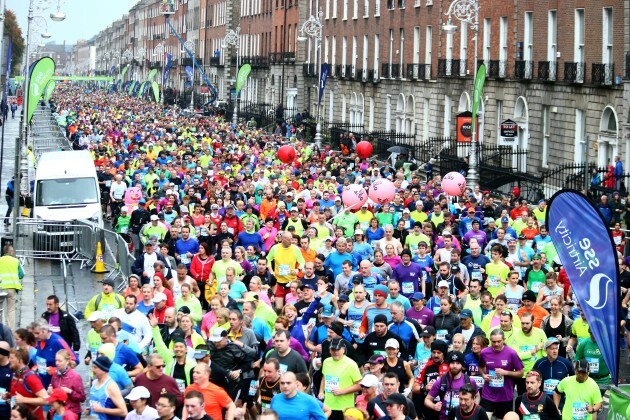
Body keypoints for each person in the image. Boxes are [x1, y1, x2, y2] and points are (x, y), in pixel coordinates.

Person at [477, 329, 524, 420]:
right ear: (490, 341)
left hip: (505, 396)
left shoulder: (511, 353)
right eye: (493, 342)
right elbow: (480, 366)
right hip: (488, 394)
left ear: (504, 340)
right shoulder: (484, 352)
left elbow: (520, 373)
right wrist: (483, 375)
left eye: (499, 341)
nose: (496, 344)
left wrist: (505, 372)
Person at [318, 337, 362, 419]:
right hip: (328, 407)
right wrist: (321, 391)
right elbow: (324, 377)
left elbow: (360, 385)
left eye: (337, 349)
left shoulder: (351, 364)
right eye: (333, 349)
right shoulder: (326, 362)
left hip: (344, 408)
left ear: (343, 349)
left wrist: (342, 391)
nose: (335, 352)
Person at [49, 349, 85, 419]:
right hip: (58, 411)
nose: (57, 363)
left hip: (72, 412)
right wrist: (50, 391)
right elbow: (53, 393)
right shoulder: (55, 374)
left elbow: (82, 397)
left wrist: (70, 392)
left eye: (60, 361)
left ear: (67, 361)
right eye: (56, 360)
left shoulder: (75, 376)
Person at [0, 244, 24, 329]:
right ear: (10, 252)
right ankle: (9, 331)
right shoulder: (16, 261)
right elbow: (21, 274)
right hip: (12, 288)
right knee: (11, 310)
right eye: (12, 251)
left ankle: (1, 329)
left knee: (1, 310)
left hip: (1, 288)